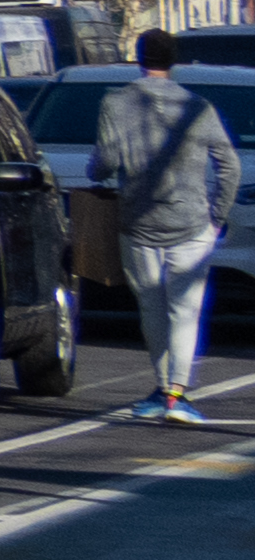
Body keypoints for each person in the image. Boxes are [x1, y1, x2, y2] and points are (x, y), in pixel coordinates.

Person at [97, 32, 237, 424]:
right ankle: (177, 393)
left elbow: (103, 164)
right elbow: (230, 166)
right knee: (185, 312)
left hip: (138, 224)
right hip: (191, 225)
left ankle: (161, 390)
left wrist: (102, 171)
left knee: (151, 309)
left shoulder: (115, 103)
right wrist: (217, 216)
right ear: (173, 61)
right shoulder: (198, 107)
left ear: (138, 58)